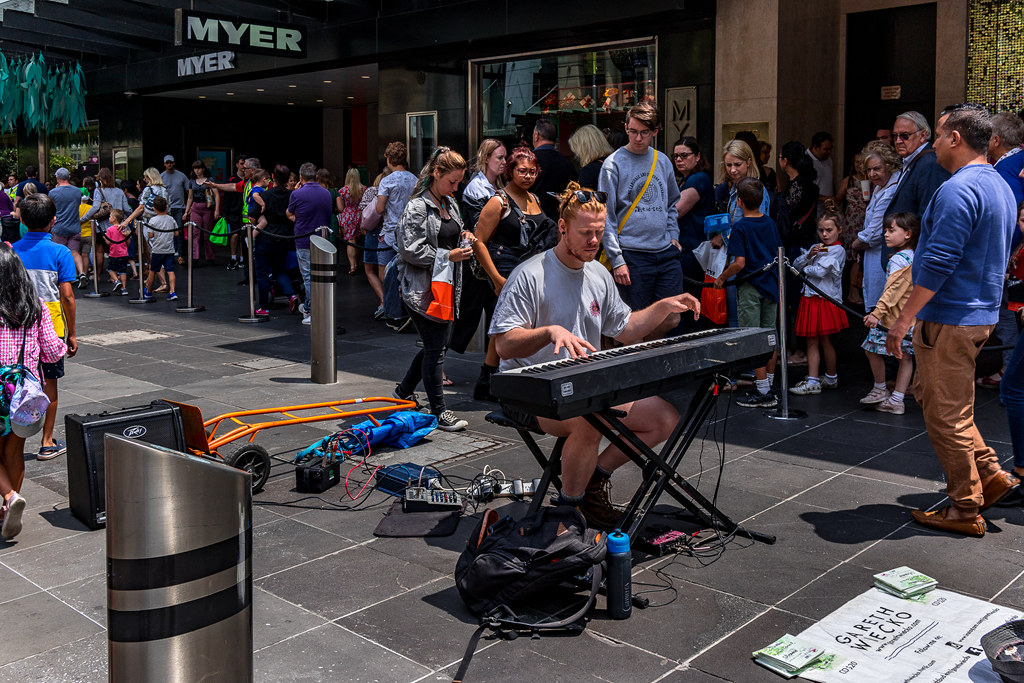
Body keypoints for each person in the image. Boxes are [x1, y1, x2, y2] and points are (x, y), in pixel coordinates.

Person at [490, 182, 700, 529]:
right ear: (562, 228)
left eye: (599, 233)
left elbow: (625, 328)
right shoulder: (529, 275)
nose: (593, 241)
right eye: (585, 233)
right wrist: (548, 331)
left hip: (582, 384)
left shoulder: (598, 273)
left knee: (662, 418)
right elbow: (504, 345)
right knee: (589, 420)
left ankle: (593, 482)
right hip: (527, 390)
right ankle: (568, 514)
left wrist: (662, 307)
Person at [886, 104, 1018, 537]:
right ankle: (991, 475)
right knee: (940, 400)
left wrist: (903, 319)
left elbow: (939, 262)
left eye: (940, 136)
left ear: (956, 138)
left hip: (952, 317)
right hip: (974, 314)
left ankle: (964, 506)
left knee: (947, 416)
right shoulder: (997, 183)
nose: (936, 144)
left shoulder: (959, 188)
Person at [392, 148, 475, 432]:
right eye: (452, 182)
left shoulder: (448, 202)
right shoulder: (417, 206)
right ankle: (439, 412)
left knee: (434, 346)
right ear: (436, 174)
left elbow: (451, 231)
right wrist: (447, 255)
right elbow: (409, 249)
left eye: (459, 182)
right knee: (436, 348)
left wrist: (465, 235)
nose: (456, 187)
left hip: (444, 286)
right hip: (421, 290)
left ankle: (403, 391)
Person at [0, 243, 67, 540]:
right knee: (14, 449)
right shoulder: (36, 305)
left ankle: (10, 498)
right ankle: (8, 506)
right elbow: (53, 352)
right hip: (26, 394)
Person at [599, 102, 683, 324]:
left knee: (672, 317)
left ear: (655, 132)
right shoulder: (612, 164)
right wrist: (617, 259)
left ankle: (646, 353)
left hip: (665, 251)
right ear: (626, 128)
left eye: (644, 133)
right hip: (632, 254)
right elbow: (606, 216)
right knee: (634, 322)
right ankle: (640, 355)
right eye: (633, 131)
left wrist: (673, 236)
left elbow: (671, 204)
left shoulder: (662, 160)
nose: (638, 138)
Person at [10, 193, 77, 460]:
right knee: (50, 383)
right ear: (54, 220)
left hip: (18, 327)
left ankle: (14, 441)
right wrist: (72, 333)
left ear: (23, 220)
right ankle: (47, 441)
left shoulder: (11, 251)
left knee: (16, 380)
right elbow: (68, 297)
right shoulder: (60, 252)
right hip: (52, 329)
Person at [714, 177, 781, 408]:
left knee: (753, 339)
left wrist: (722, 277)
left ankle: (763, 390)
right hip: (771, 285)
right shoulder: (770, 223)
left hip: (751, 287)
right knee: (769, 335)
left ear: (739, 202)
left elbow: (739, 262)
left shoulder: (741, 227)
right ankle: (770, 383)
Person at [455, 139, 507, 401]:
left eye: (505, 157)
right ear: (486, 158)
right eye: (499, 157)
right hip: (479, 266)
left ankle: (491, 376)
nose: (503, 161)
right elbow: (479, 231)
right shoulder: (477, 188)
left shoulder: (497, 186)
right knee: (467, 316)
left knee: (496, 319)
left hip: (492, 263)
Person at [860, 213, 918, 415]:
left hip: (891, 319)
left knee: (870, 348)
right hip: (910, 319)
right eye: (886, 230)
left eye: (892, 231)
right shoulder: (915, 256)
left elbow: (893, 290)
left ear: (908, 234)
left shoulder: (898, 260)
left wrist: (877, 313)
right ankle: (897, 399)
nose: (886, 234)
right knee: (906, 358)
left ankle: (879, 389)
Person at [789, 209, 848, 396]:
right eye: (821, 230)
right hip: (811, 297)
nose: (824, 234)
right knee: (813, 340)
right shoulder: (817, 247)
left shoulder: (838, 250)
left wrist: (807, 266)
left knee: (822, 340)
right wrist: (807, 257)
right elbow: (796, 265)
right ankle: (819, 379)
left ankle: (825, 378)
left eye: (829, 230)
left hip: (825, 298)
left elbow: (819, 272)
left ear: (839, 230)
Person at [852, 141, 902, 312]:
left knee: (881, 308)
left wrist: (855, 244)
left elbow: (874, 234)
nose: (872, 174)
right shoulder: (880, 187)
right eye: (869, 170)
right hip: (874, 255)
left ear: (889, 166)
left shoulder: (890, 191)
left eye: (877, 169)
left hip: (881, 255)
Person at [288, 162, 333, 325]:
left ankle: (313, 311)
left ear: (300, 177)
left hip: (303, 239)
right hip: (322, 240)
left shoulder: (297, 194)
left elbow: (289, 212)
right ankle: (309, 306)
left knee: (308, 276)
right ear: (316, 176)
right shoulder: (326, 193)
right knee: (321, 276)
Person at [885, 111, 951, 219]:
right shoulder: (908, 160)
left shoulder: (930, 163)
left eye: (904, 136)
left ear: (922, 135)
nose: (898, 141)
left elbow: (928, 214)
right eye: (895, 136)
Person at [673, 136, 716, 298]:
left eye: (684, 155)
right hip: (689, 249)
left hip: (692, 251)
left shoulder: (698, 179)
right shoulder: (686, 179)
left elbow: (677, 211)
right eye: (676, 156)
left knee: (689, 302)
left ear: (697, 157)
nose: (678, 159)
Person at [252, 166, 296, 317]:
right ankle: (292, 295)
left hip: (265, 237)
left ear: (272, 176)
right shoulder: (291, 195)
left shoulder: (265, 195)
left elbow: (252, 216)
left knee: (262, 272)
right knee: (279, 270)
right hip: (283, 238)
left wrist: (260, 219)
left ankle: (264, 306)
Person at [375, 142, 418, 289]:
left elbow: (379, 208)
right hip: (410, 234)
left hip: (390, 234)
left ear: (388, 159)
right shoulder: (415, 180)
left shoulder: (386, 181)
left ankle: (390, 299)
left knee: (384, 272)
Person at [82, 168, 132, 282]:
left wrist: (84, 219)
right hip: (119, 227)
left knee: (99, 251)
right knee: (116, 250)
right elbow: (126, 208)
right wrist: (133, 216)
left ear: (101, 178)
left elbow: (95, 207)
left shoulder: (98, 191)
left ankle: (98, 275)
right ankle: (115, 275)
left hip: (103, 226)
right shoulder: (119, 191)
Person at [48, 168, 87, 286]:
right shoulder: (77, 191)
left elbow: (51, 208)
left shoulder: (53, 192)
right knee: (74, 252)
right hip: (75, 226)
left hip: (59, 227)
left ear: (57, 178)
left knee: (58, 253)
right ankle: (81, 274)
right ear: (68, 177)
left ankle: (61, 278)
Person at [532, 118, 578, 220]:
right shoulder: (567, 163)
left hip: (533, 219)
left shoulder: (529, 162)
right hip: (559, 220)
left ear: (536, 136)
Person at [777, 141, 819, 249]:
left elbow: (787, 211)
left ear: (785, 161)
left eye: (779, 157)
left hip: (798, 240)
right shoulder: (804, 181)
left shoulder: (798, 184)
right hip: (805, 236)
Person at [358, 169, 388, 314]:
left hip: (374, 231)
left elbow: (362, 211)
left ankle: (384, 300)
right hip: (390, 233)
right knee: (388, 270)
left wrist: (363, 227)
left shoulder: (371, 191)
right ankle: (390, 300)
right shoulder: (398, 189)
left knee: (370, 269)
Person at [184, 161, 220, 266]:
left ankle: (210, 257)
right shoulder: (191, 181)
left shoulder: (210, 180)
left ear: (203, 169)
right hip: (196, 207)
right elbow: (190, 197)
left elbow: (216, 195)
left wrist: (217, 210)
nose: (197, 171)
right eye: (195, 168)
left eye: (199, 168)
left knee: (207, 233)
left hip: (207, 207)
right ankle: (195, 258)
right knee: (195, 233)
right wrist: (187, 211)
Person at [143, 196, 179, 301]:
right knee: (170, 270)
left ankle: (148, 291)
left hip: (157, 249)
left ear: (154, 208)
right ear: (166, 207)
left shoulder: (153, 220)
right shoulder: (171, 219)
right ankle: (172, 292)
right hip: (169, 249)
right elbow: (176, 233)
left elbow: (150, 235)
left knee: (152, 270)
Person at [160, 155, 191, 260]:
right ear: (164, 164)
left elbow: (189, 192)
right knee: (167, 231)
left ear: (174, 163)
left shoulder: (181, 176)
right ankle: (169, 253)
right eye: (167, 162)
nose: (169, 164)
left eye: (171, 162)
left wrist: (188, 207)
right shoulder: (161, 176)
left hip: (179, 207)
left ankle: (180, 254)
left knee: (179, 231)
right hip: (166, 208)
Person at [337, 168, 364, 276]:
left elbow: (340, 208)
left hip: (348, 216)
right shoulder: (364, 189)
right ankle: (357, 264)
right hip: (360, 215)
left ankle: (352, 266)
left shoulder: (342, 190)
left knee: (350, 241)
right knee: (358, 241)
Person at [569, 124, 613, 191]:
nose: (577, 155)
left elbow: (586, 200)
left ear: (584, 149)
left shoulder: (588, 171)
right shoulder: (613, 163)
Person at [223, 154, 247, 270]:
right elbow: (227, 197)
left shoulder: (249, 180)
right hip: (233, 211)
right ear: (237, 164)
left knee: (244, 235)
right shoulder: (232, 179)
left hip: (246, 212)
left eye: (245, 164)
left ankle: (243, 259)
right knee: (235, 234)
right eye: (241, 164)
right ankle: (233, 257)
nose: (243, 166)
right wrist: (225, 213)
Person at [103, 209, 131, 295]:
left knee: (111, 269)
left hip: (114, 253)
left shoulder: (110, 229)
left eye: (110, 216)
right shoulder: (124, 229)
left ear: (114, 218)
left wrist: (104, 238)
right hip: (124, 253)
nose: (109, 218)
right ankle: (124, 288)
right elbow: (128, 242)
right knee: (123, 271)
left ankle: (116, 281)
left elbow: (108, 242)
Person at [806, 131, 834, 202]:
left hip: (827, 208)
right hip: (813, 209)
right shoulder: (805, 161)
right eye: (826, 149)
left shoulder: (829, 160)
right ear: (816, 147)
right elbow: (805, 189)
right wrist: (823, 198)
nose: (829, 152)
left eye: (830, 149)